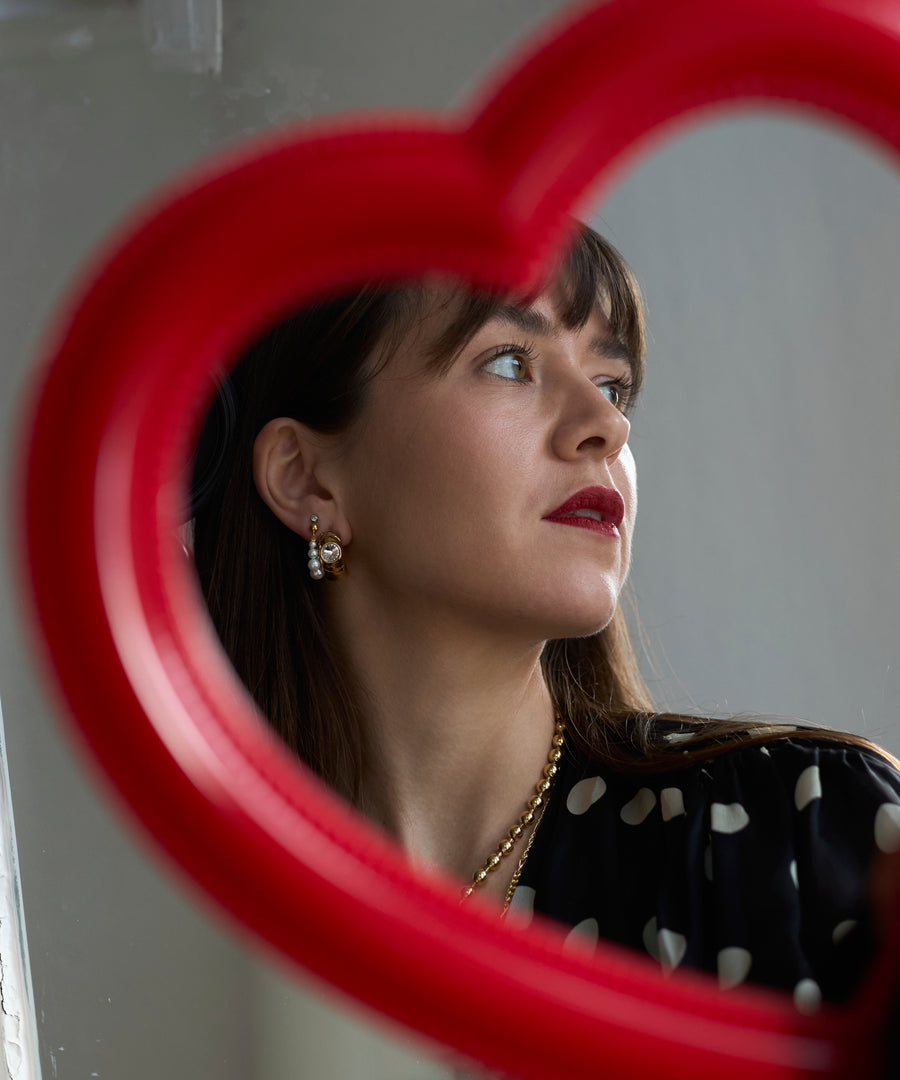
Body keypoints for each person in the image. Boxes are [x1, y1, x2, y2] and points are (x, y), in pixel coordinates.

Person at [190, 222, 900, 1011]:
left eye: (615, 383)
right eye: (509, 362)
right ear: (306, 480)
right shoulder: (190, 923)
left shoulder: (806, 833)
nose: (608, 423)